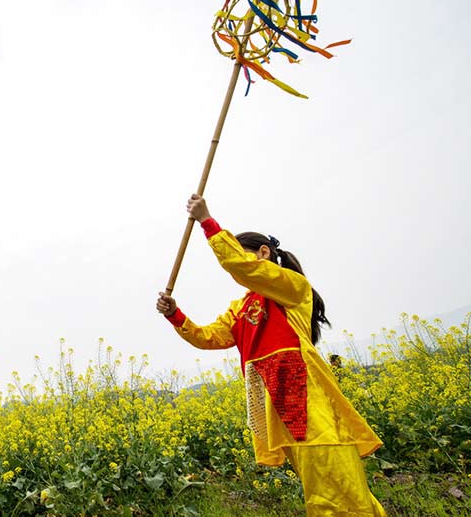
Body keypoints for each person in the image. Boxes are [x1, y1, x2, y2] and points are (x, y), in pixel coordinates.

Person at [156, 194, 385, 516]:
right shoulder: (240, 308)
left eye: (245, 255)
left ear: (264, 253)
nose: (241, 265)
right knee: (319, 481)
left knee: (334, 479)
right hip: (273, 402)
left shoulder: (292, 288)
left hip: (305, 396)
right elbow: (210, 337)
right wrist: (175, 315)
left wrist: (208, 221)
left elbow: (243, 268)